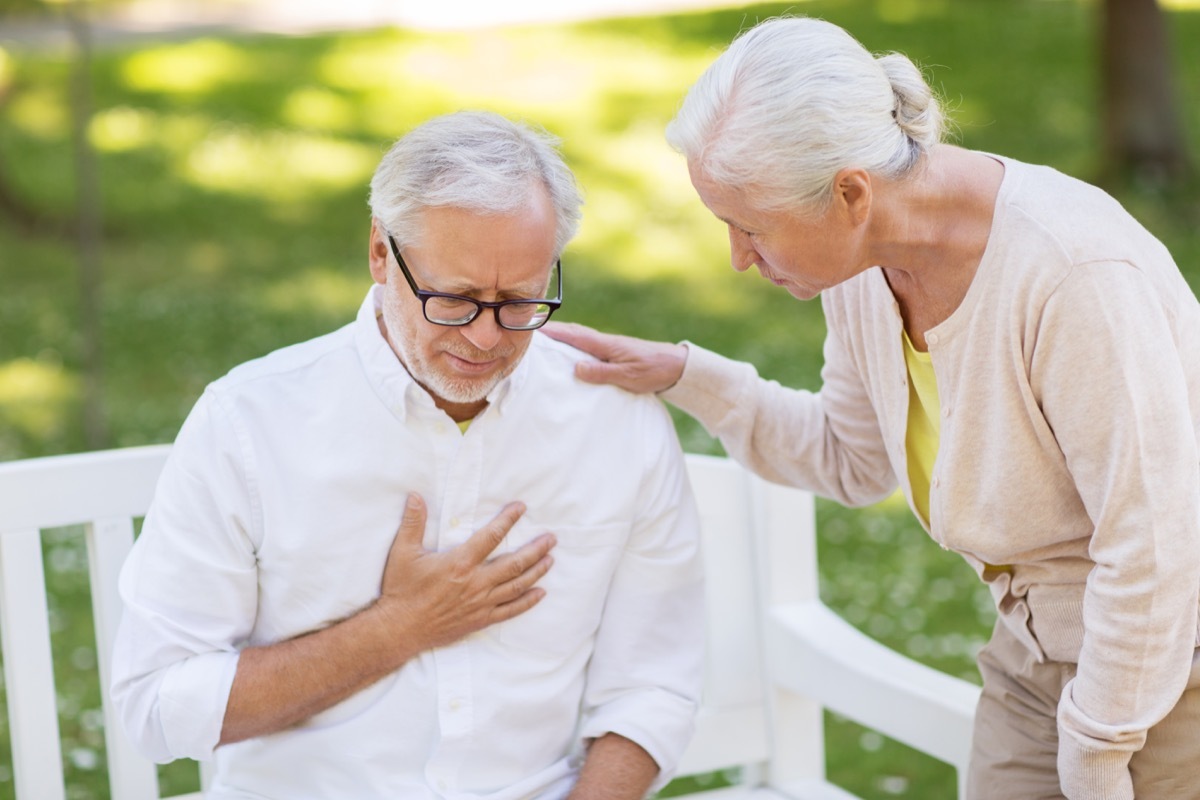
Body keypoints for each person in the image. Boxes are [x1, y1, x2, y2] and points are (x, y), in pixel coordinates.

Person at [543, 16, 1200, 800]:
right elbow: (851, 459)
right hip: (1039, 652)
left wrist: (1097, 755)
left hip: (1170, 661)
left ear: (851, 193)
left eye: (750, 227)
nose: (738, 259)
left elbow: (1158, 547)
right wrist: (686, 375)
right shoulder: (868, 268)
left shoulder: (1074, 276)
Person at [111, 110, 705, 800]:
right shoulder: (248, 421)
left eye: (518, 301)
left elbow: (653, 686)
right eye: (453, 299)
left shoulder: (615, 420)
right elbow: (154, 708)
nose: (486, 338)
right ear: (379, 252)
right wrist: (395, 630)